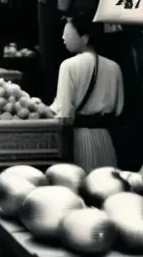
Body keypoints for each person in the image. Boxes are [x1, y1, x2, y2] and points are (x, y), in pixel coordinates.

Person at [52, 15, 125, 171]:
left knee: (83, 183)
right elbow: (119, 109)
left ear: (85, 38)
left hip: (80, 139)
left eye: (69, 34)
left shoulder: (68, 66)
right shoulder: (114, 67)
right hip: (106, 139)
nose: (63, 38)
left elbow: (63, 113)